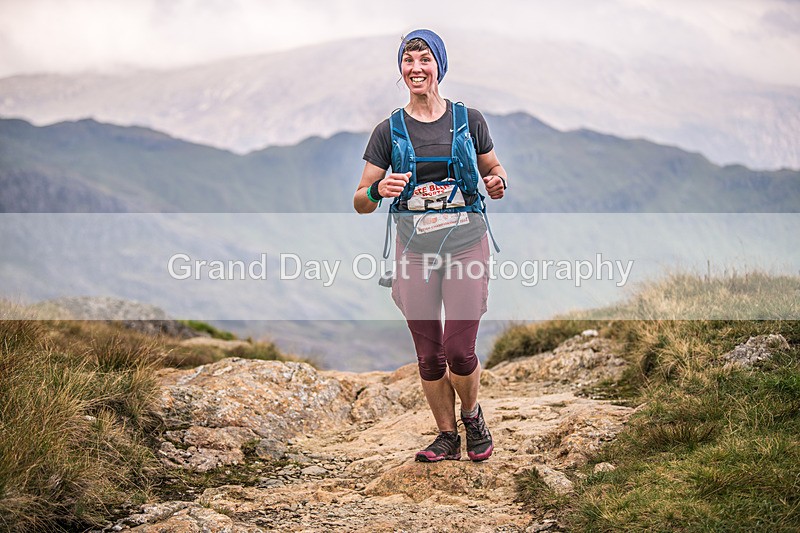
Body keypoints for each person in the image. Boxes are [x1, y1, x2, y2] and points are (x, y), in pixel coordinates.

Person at [353, 29, 508, 462]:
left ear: (439, 65)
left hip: (465, 243)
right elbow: (360, 201)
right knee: (428, 355)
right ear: (400, 69)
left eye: (424, 61)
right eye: (408, 61)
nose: (415, 69)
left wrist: (497, 181)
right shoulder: (389, 131)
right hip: (414, 249)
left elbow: (494, 168)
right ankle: (446, 435)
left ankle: (472, 415)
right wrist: (380, 188)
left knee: (460, 350)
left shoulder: (467, 120)